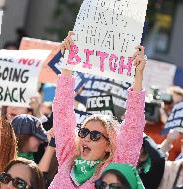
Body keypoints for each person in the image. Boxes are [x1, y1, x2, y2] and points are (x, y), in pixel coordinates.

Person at [49, 32, 146, 188]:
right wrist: (68, 63)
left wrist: (138, 77)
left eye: (95, 136)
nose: (86, 138)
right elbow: (62, 112)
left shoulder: (112, 172)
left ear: (109, 145)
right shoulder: (68, 158)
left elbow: (133, 128)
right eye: (83, 132)